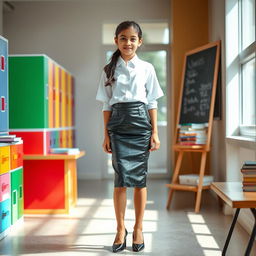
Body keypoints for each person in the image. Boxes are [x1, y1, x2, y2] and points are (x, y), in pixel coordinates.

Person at [96, 21, 164, 253]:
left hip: (140, 124)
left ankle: (138, 228)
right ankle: (119, 229)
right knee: (121, 179)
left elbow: (153, 102)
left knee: (139, 179)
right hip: (117, 124)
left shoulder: (147, 68)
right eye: (123, 38)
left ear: (140, 41)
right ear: (116, 40)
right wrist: (105, 135)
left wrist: (154, 132)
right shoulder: (108, 70)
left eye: (133, 38)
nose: (128, 43)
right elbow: (106, 105)